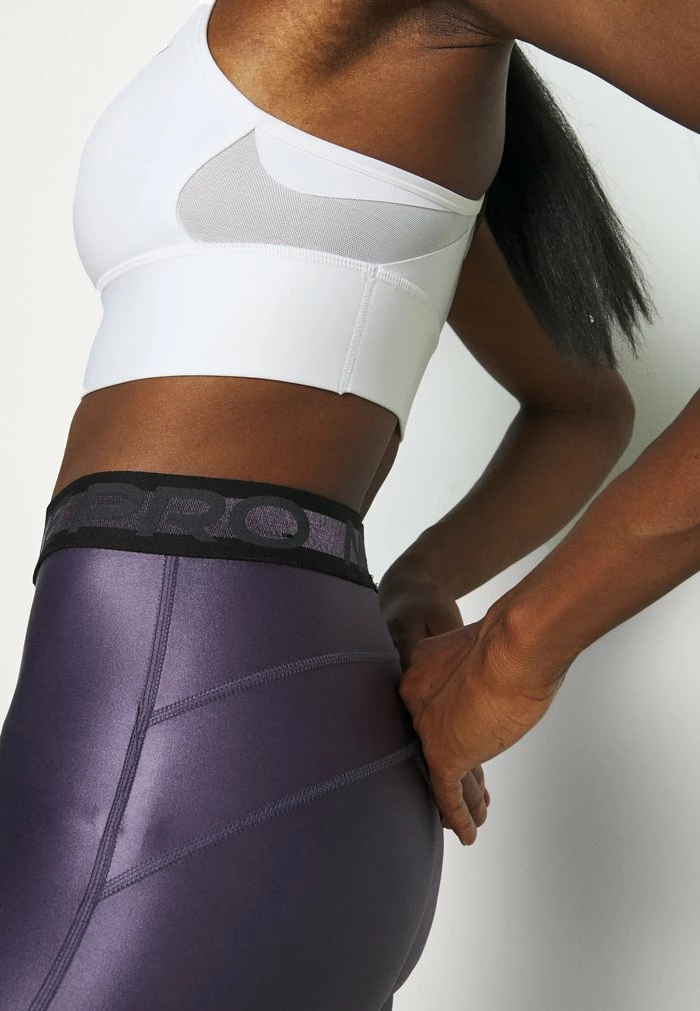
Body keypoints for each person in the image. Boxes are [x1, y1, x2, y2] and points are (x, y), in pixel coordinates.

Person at [0, 1, 696, 1008]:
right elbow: (581, 410)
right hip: (153, 727)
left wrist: (517, 648)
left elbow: (587, 412)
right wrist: (426, 577)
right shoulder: (379, 88)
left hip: (183, 753)